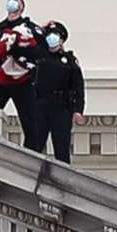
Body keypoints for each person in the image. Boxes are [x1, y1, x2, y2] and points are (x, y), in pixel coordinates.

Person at [24, 19, 85, 162]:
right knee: (34, 146)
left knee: (61, 148)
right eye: (49, 34)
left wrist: (78, 110)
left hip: (61, 108)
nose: (52, 38)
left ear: (62, 39)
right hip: (40, 106)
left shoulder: (69, 60)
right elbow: (31, 33)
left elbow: (78, 87)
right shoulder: (39, 56)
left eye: (56, 35)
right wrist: (43, 27)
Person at [0, 0, 41, 139]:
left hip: (23, 81)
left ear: (22, 7)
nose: (12, 2)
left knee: (30, 121)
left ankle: (32, 154)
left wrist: (18, 49)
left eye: (16, 0)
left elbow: (38, 52)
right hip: (0, 80)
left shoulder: (30, 28)